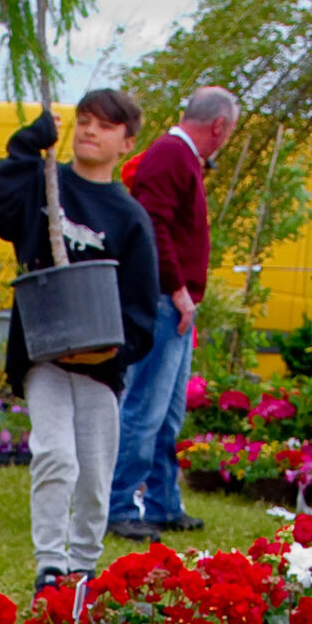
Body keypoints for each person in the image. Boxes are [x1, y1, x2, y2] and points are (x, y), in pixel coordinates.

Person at [0, 93, 159, 593]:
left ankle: (83, 566)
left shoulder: (129, 219)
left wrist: (110, 350)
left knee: (95, 473)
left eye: (104, 126)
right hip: (43, 354)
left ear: (126, 142)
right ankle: (50, 567)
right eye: (83, 122)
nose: (89, 132)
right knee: (55, 453)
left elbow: (142, 313)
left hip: (100, 370)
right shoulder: (43, 185)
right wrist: (26, 145)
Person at [105, 85, 240, 542]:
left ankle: (163, 502)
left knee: (167, 413)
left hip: (176, 302)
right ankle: (120, 502)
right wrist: (179, 290)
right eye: (229, 132)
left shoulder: (179, 159)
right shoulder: (171, 156)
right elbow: (153, 227)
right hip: (167, 301)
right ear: (219, 126)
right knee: (145, 406)